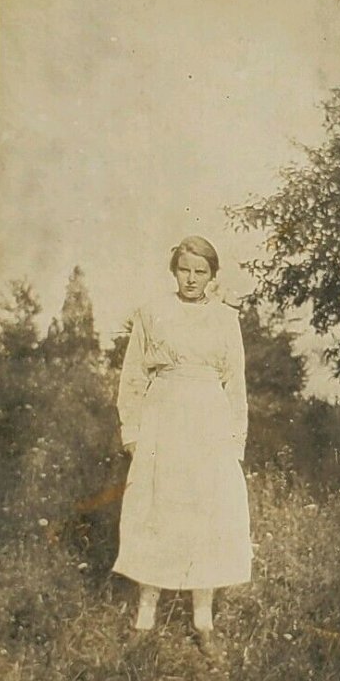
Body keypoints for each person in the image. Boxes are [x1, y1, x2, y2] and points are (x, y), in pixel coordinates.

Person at [112, 235, 252, 646]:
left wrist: (235, 441)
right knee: (156, 508)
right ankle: (145, 616)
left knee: (206, 513)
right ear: (174, 270)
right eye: (184, 270)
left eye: (201, 272)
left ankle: (203, 619)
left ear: (212, 275)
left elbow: (236, 384)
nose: (191, 279)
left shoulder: (226, 319)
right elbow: (132, 376)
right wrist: (133, 434)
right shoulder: (152, 312)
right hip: (162, 421)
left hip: (209, 423)